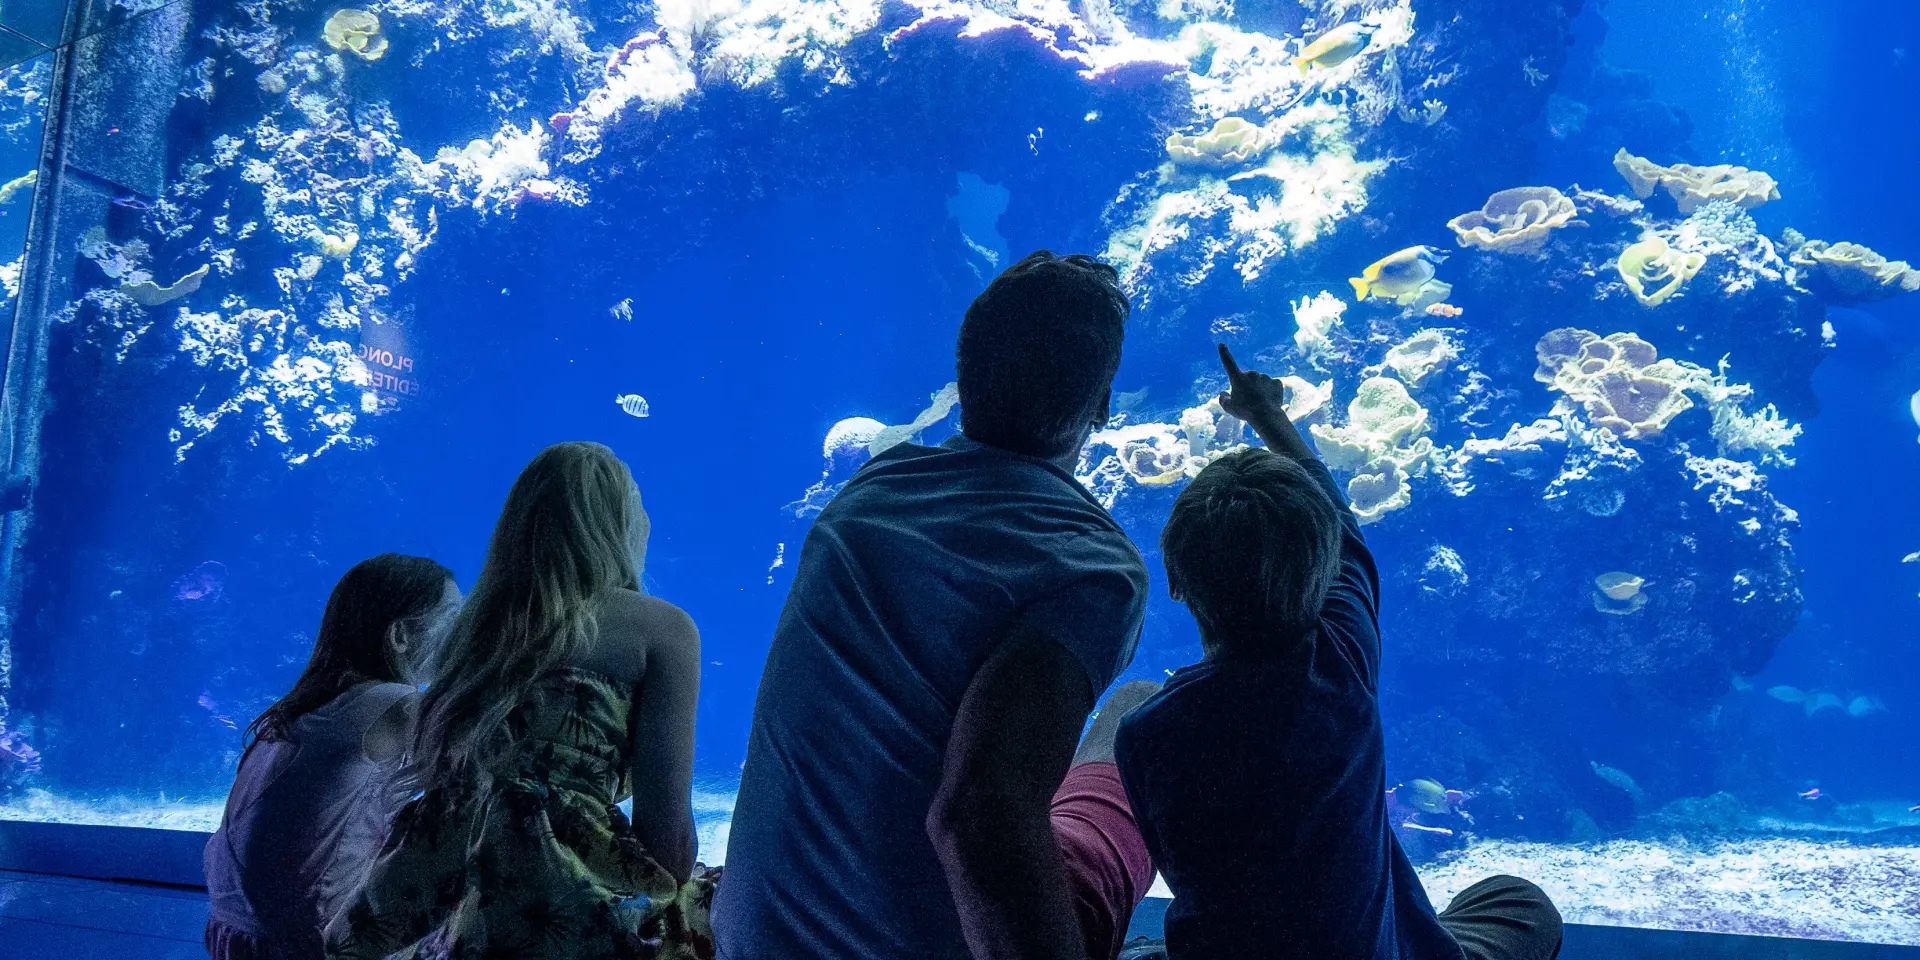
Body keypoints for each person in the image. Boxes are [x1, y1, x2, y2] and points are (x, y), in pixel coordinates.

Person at [713, 251, 1154, 960]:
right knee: (1139, 707)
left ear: (963, 380)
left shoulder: (867, 499)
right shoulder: (1090, 565)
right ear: (1102, 403)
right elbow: (980, 815)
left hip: (751, 937)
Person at [1112, 346, 1563, 960]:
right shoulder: (1341, 661)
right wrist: (1267, 415)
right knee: (1519, 901)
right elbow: (1340, 523)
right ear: (1322, 568)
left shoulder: (1147, 733)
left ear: (1178, 583)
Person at [324, 442, 716, 960]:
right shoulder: (664, 630)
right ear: (620, 523)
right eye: (638, 502)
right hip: (568, 911)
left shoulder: (468, 632)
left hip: (446, 901)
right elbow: (667, 842)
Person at [205, 553, 461, 960]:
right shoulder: (389, 705)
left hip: (237, 933)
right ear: (400, 637)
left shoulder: (308, 707)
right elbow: (491, 729)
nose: (465, 630)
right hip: (312, 944)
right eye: (453, 617)